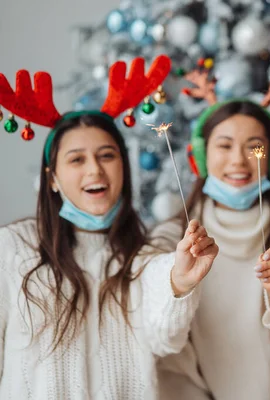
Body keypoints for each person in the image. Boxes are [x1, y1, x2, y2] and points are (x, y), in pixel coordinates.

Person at [0, 55, 219, 399]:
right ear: (52, 178)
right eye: (76, 159)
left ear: (123, 166)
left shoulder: (144, 255)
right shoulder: (13, 247)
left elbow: (166, 337)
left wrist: (180, 282)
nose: (95, 171)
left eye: (107, 155)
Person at [155, 99, 270, 400]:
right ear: (199, 157)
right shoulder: (173, 238)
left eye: (254, 147)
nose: (238, 160)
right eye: (224, 146)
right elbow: (161, 337)